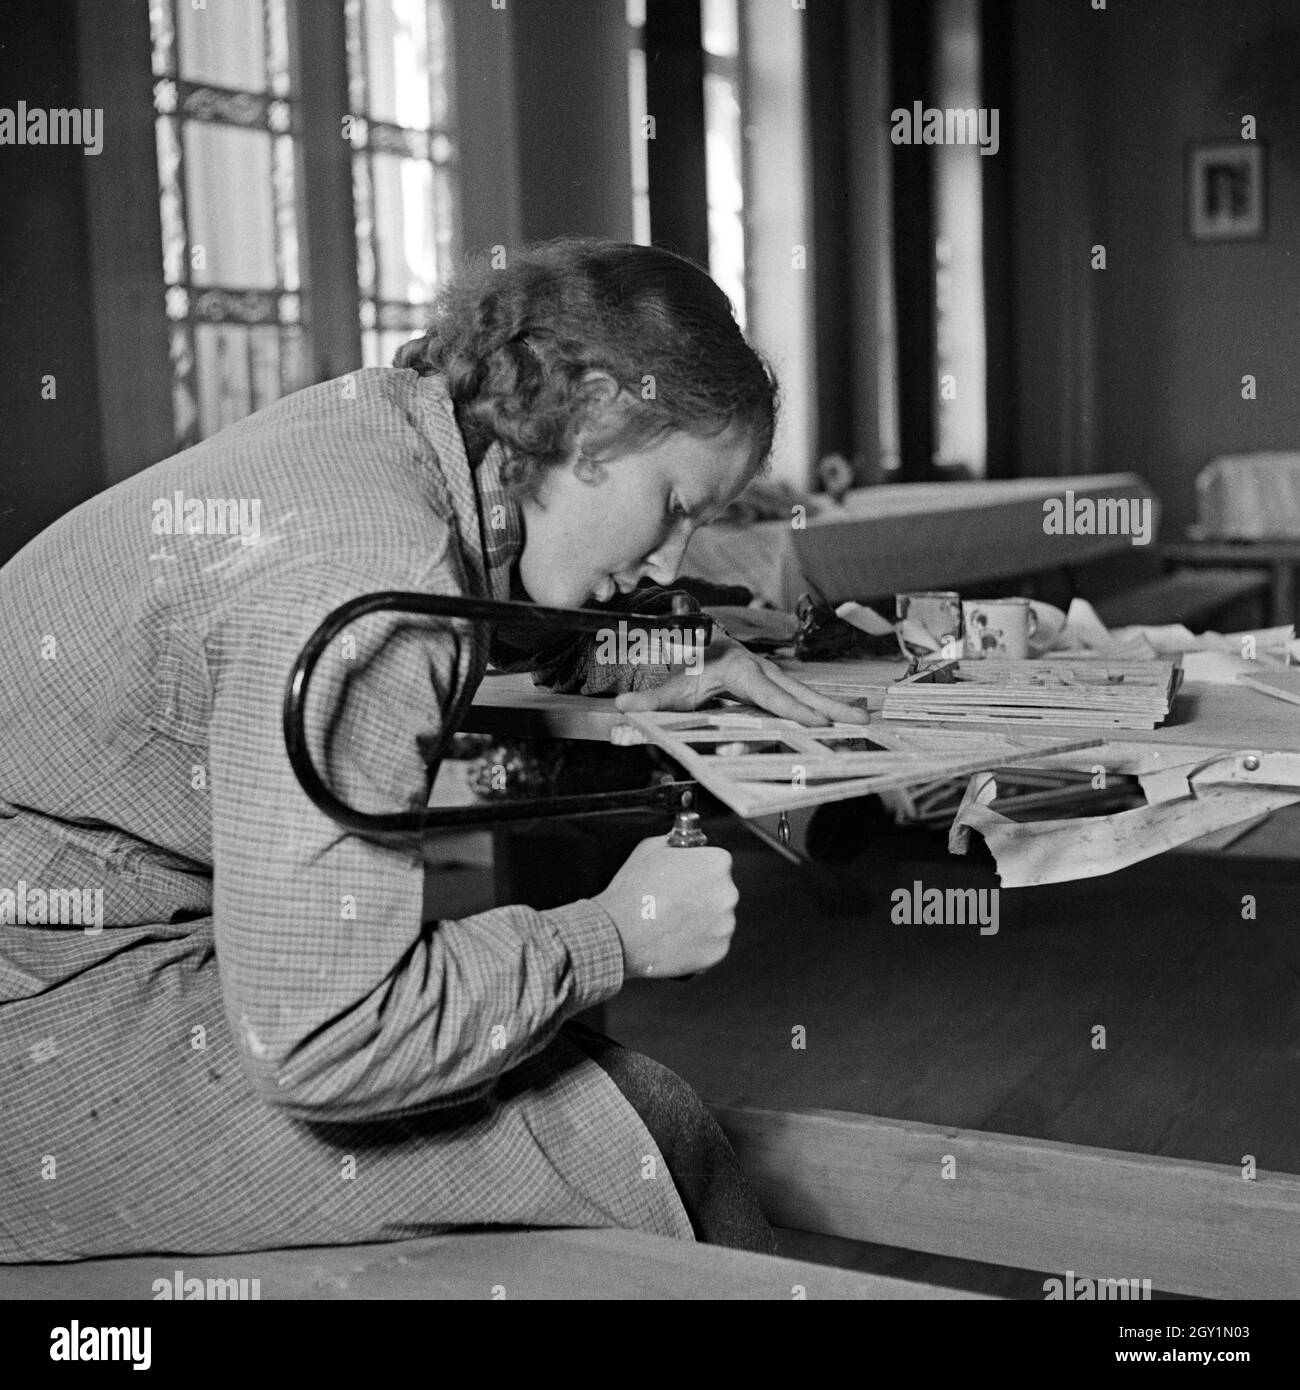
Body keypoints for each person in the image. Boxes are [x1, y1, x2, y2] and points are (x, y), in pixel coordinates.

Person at [0, 238, 867, 1263]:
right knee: (650, 1135)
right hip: (43, 1019)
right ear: (590, 414)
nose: (667, 558)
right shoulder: (373, 580)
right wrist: (612, 935)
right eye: (672, 506)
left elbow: (492, 590)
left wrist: (672, 650)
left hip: (81, 950)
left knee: (580, 1085)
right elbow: (330, 1040)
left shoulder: (392, 429)